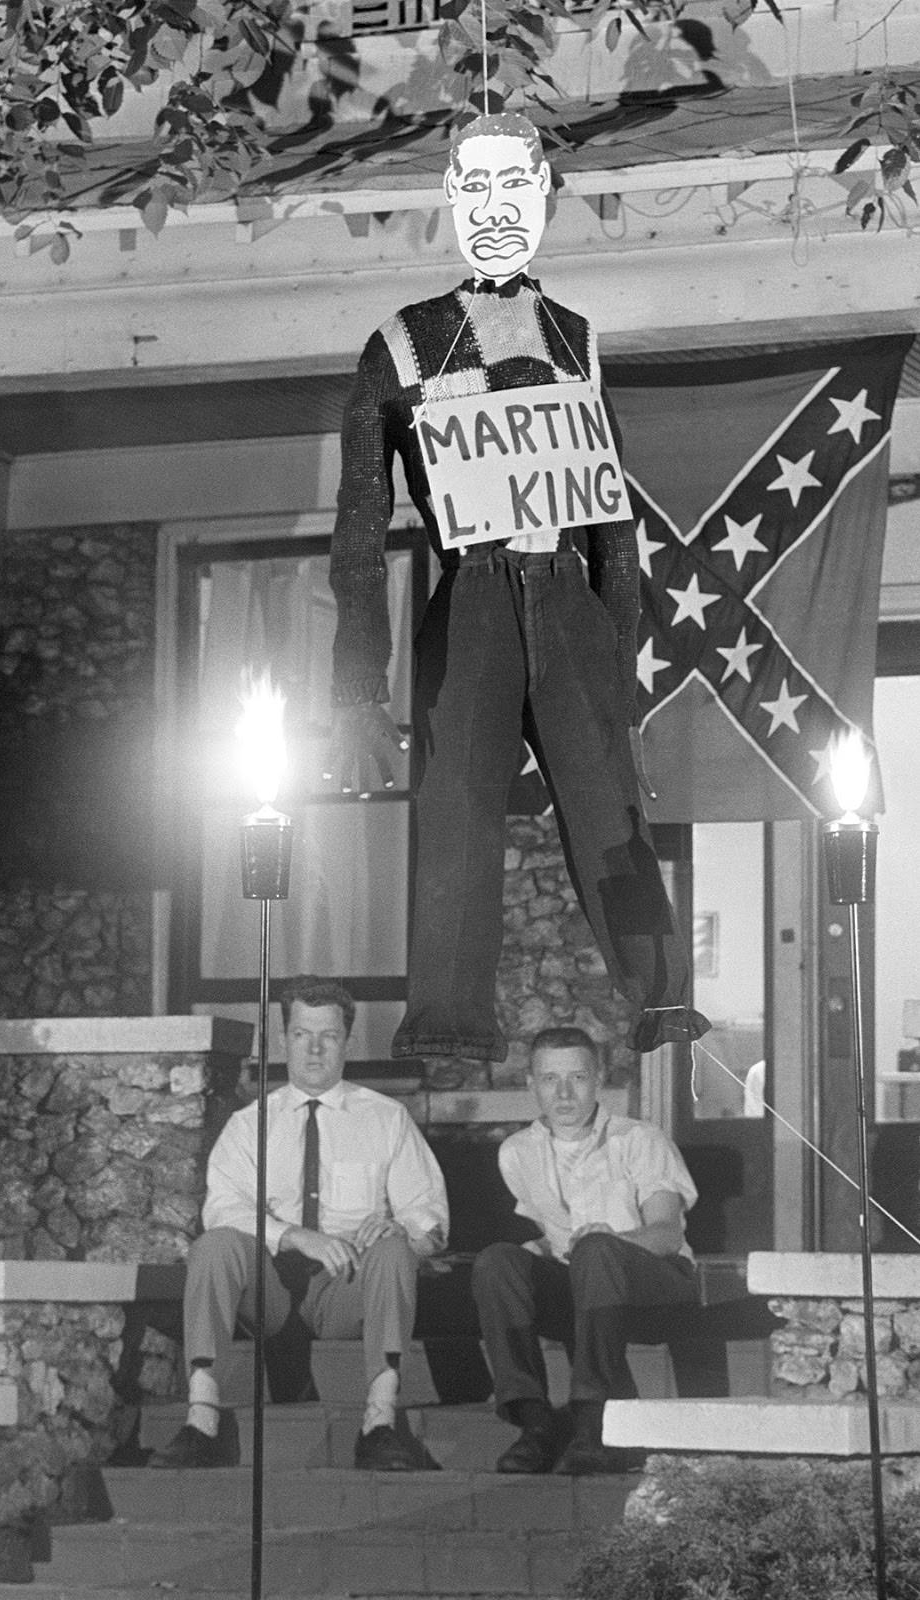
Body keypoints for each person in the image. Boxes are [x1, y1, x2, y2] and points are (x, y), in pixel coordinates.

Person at [326, 109, 708, 1064]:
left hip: (566, 590)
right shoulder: (401, 343)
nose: (495, 209)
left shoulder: (576, 338)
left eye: (514, 187)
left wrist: (622, 661)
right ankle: (448, 1017)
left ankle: (657, 992)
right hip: (474, 598)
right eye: (475, 189)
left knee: (607, 802)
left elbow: (614, 522)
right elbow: (360, 531)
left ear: (543, 196)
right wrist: (356, 685)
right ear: (451, 201)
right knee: (455, 803)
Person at [149, 974, 449, 1472]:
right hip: (269, 1289)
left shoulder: (386, 1118)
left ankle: (379, 1421)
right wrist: (292, 1235)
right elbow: (222, 1208)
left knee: (396, 1250)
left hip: (347, 1289)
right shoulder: (249, 1125)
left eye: (328, 1037)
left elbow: (428, 1214)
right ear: (283, 1040)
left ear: (347, 1042)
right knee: (215, 1245)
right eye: (301, 1035)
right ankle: (202, 1417)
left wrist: (403, 1230)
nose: (314, 1050)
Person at [472, 1026, 698, 1474]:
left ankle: (593, 1420)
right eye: (550, 1079)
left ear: (598, 1080)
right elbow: (552, 1233)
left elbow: (666, 1233)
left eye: (576, 1078)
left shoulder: (639, 1140)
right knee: (497, 1261)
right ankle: (533, 1421)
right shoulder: (517, 1153)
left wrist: (609, 1243)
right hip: (582, 1286)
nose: (564, 1092)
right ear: (531, 1084)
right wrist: (526, 1263)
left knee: (596, 1250)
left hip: (654, 1280)